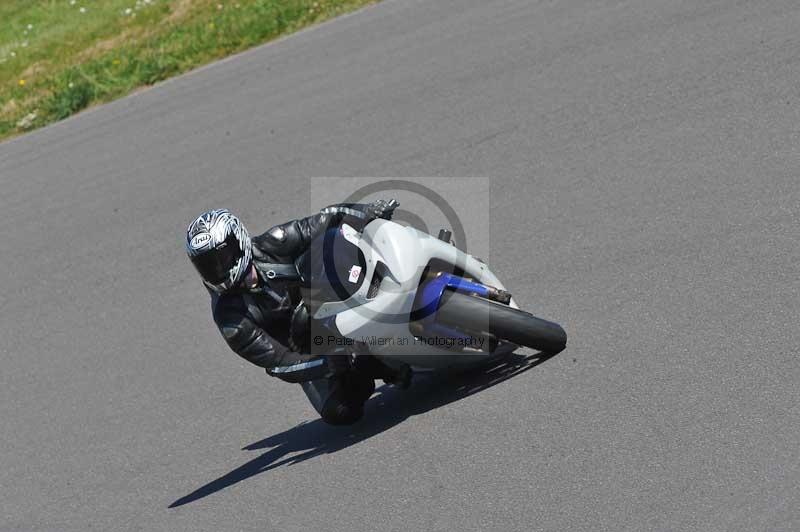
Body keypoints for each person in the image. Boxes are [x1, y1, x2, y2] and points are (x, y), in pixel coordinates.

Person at [185, 200, 411, 425]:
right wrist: (329, 362)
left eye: (220, 258)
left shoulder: (273, 243)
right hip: (311, 349)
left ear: (238, 242)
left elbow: (325, 219)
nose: (217, 269)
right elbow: (279, 363)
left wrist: (367, 211)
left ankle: (393, 280)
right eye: (206, 265)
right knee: (340, 411)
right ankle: (374, 364)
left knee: (327, 242)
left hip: (334, 303)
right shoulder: (231, 319)